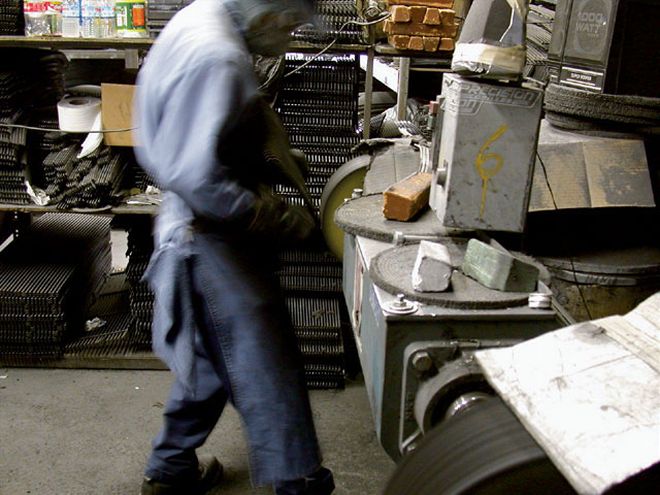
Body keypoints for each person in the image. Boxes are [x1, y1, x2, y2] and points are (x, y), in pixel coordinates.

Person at [133, 0, 334, 494]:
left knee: (210, 352)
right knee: (265, 362)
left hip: (198, 220)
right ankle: (298, 481)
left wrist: (268, 161)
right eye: (291, 21)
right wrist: (274, 215)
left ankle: (170, 468)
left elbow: (198, 132)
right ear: (266, 12)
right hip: (208, 233)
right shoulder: (219, 57)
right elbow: (196, 176)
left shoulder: (208, 14)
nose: (293, 33)